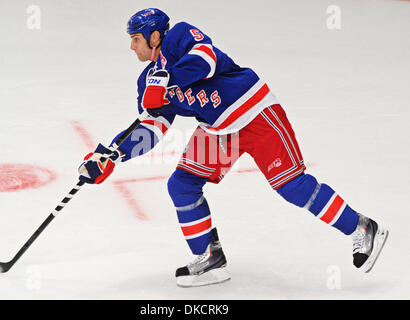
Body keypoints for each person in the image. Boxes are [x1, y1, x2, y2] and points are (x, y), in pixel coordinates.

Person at [78, 8, 389, 287]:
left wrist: (168, 78)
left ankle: (361, 226)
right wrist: (113, 155)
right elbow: (152, 128)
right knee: (182, 184)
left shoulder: (178, 36)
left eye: (136, 39)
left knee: (291, 185)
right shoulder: (146, 81)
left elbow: (207, 59)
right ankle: (209, 257)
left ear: (154, 35)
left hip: (253, 111)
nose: (132, 47)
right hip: (218, 130)